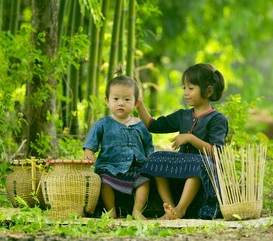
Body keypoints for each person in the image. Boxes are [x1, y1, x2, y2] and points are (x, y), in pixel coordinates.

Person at [136, 63, 228, 220]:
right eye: (184, 88)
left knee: (199, 163)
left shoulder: (217, 119)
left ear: (208, 91)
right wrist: (139, 105)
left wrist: (190, 138)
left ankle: (181, 209)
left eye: (191, 88)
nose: (186, 93)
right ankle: (170, 208)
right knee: (156, 158)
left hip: (205, 177)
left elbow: (216, 152)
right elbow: (153, 125)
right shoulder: (183, 115)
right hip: (180, 174)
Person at [83, 72, 154, 220]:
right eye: (116, 99)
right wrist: (89, 153)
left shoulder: (139, 124)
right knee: (104, 180)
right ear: (107, 100)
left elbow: (148, 144)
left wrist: (150, 157)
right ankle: (111, 210)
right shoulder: (103, 124)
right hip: (110, 165)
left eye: (127, 99)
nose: (121, 103)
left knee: (144, 181)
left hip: (136, 166)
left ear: (135, 103)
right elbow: (92, 141)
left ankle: (137, 210)